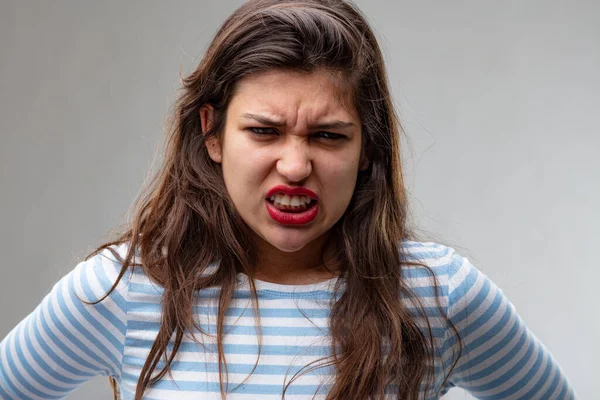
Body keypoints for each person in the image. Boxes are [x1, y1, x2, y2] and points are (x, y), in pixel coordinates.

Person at [0, 0, 576, 399]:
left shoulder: (440, 294)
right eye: (264, 131)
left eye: (328, 136)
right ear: (212, 134)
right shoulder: (125, 287)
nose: (296, 165)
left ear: (368, 148)